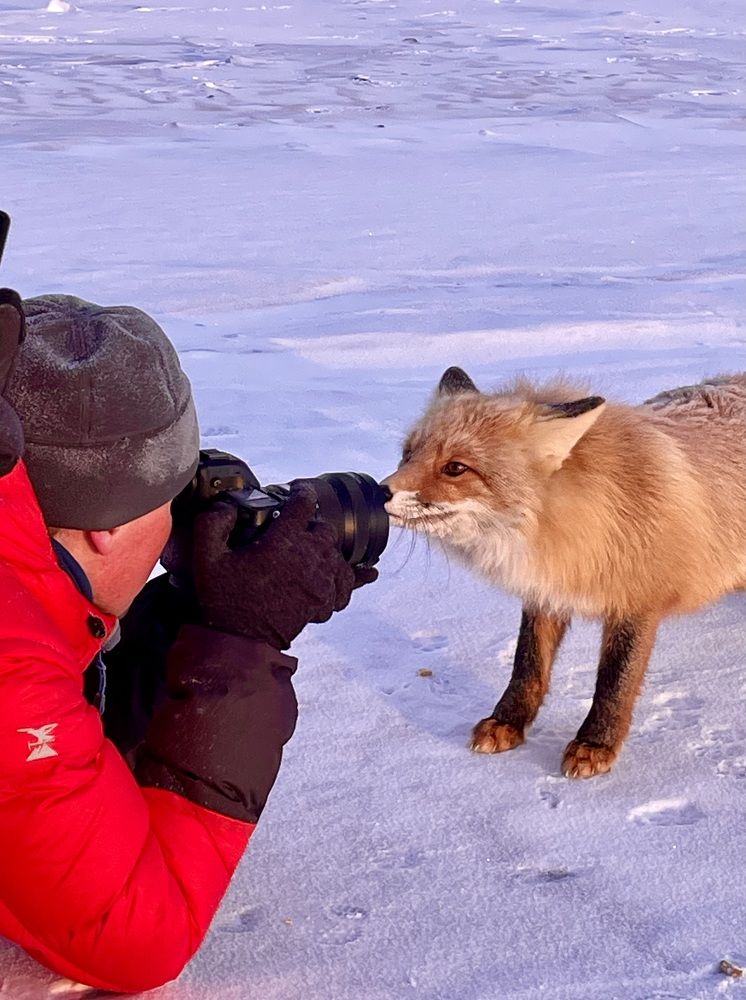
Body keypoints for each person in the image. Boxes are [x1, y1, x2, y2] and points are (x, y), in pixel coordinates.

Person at [0, 291, 375, 993]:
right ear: (107, 525)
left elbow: (58, 787)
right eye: (169, 504)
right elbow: (137, 936)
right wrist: (241, 640)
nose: (177, 526)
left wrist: (187, 618)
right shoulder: (10, 665)